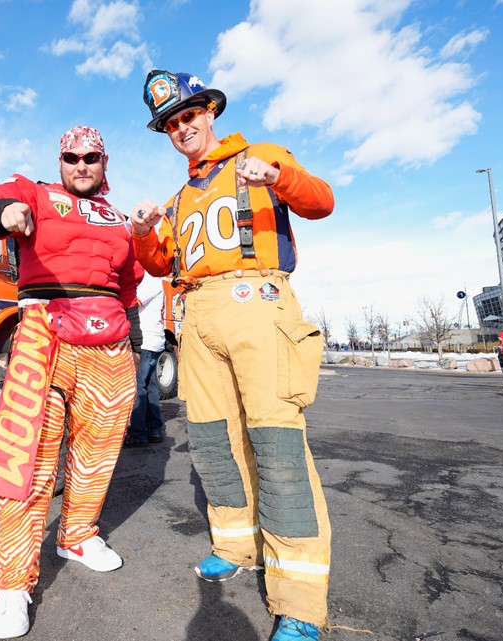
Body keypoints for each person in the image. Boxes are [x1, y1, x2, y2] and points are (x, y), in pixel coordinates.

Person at [130, 70, 333, 641]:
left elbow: (322, 201)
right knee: (215, 441)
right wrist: (144, 232)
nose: (181, 128)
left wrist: (278, 176)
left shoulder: (261, 154)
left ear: (210, 112)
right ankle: (237, 545)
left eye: (188, 116)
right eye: (170, 124)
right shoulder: (179, 197)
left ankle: (298, 601)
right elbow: (155, 264)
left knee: (277, 443)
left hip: (259, 302)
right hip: (199, 319)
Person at [0, 125, 140, 639]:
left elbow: (132, 278)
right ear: (60, 160)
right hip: (44, 331)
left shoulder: (118, 216)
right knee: (26, 455)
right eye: (72, 157)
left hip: (109, 338)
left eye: (91, 157)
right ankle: (12, 584)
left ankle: (78, 534)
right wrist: (6, 214)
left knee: (100, 447)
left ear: (105, 161)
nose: (81, 165)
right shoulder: (38, 192)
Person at [124, 271, 166, 448]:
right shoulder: (153, 280)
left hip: (146, 339)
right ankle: (154, 430)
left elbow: (133, 303)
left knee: (138, 385)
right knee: (149, 385)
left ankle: (138, 433)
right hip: (153, 339)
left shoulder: (150, 279)